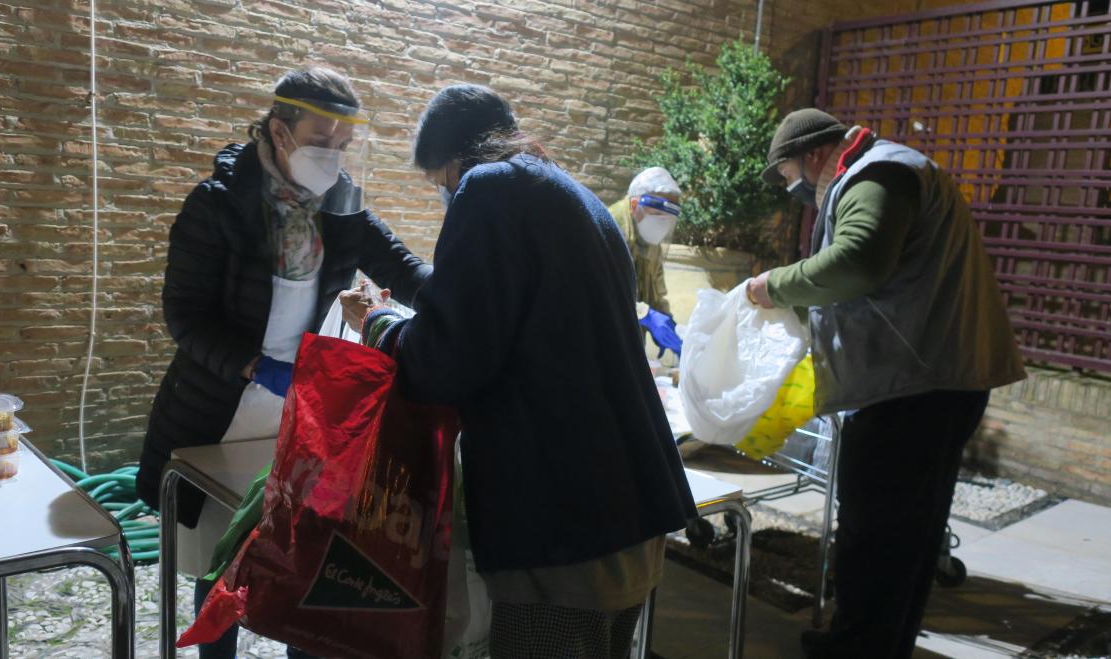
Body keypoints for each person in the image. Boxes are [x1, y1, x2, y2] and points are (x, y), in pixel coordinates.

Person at [342, 84, 697, 659]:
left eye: (440, 184)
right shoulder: (570, 195)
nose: (445, 198)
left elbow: (446, 362)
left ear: (456, 159)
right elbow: (490, 308)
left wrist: (379, 323)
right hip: (626, 507)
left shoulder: (486, 190)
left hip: (564, 523)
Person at [135, 67, 430, 659]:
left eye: (343, 147)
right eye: (322, 141)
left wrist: (462, 299)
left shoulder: (341, 209)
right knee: (217, 556)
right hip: (217, 407)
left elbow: (402, 267)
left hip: (297, 411)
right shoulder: (219, 206)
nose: (333, 158)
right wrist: (255, 366)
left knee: (298, 546)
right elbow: (184, 318)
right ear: (280, 129)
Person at [750, 108, 1027, 658]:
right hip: (936, 380)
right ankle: (880, 643)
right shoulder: (892, 168)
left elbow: (858, 262)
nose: (793, 192)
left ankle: (856, 649)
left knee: (874, 534)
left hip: (911, 389)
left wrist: (772, 286)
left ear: (811, 156)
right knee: (910, 534)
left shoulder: (877, 174)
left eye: (787, 178)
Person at [606, 168, 684, 358]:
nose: (661, 226)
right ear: (634, 205)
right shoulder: (610, 228)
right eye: (657, 216)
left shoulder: (649, 239)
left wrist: (666, 319)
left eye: (666, 221)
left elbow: (656, 286)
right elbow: (603, 292)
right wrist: (646, 315)